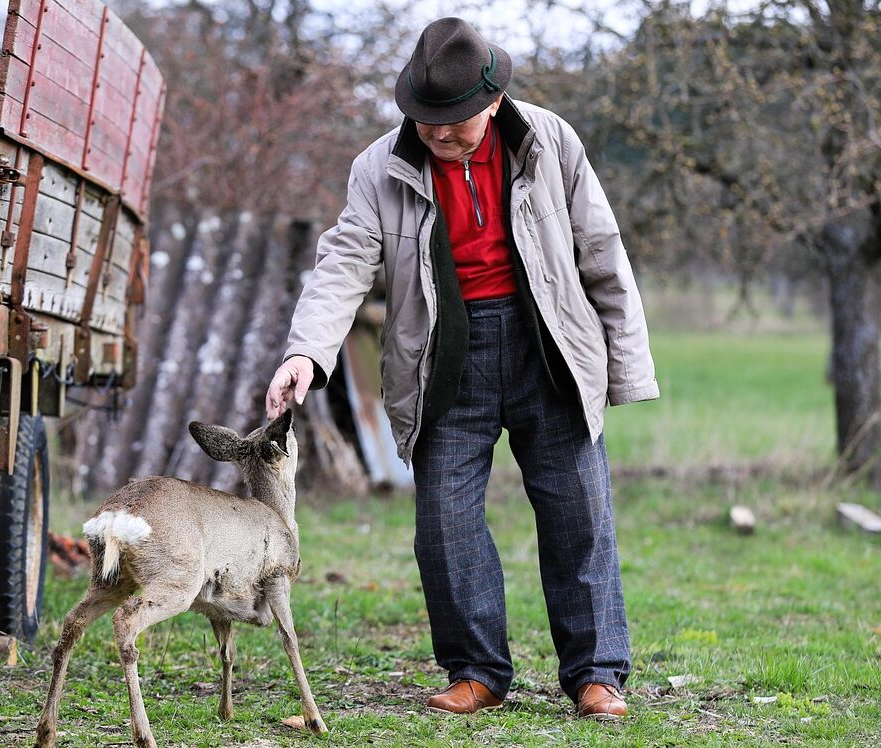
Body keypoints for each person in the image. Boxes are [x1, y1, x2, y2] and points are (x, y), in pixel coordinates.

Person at [265, 17, 658, 720]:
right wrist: (307, 352)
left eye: (456, 123)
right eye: (426, 121)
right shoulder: (378, 168)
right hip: (444, 357)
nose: (440, 135)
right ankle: (476, 670)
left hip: (548, 348)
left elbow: (603, 252)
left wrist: (625, 370)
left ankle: (597, 674)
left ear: (494, 103)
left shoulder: (550, 141)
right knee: (443, 523)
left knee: (580, 517)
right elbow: (345, 263)